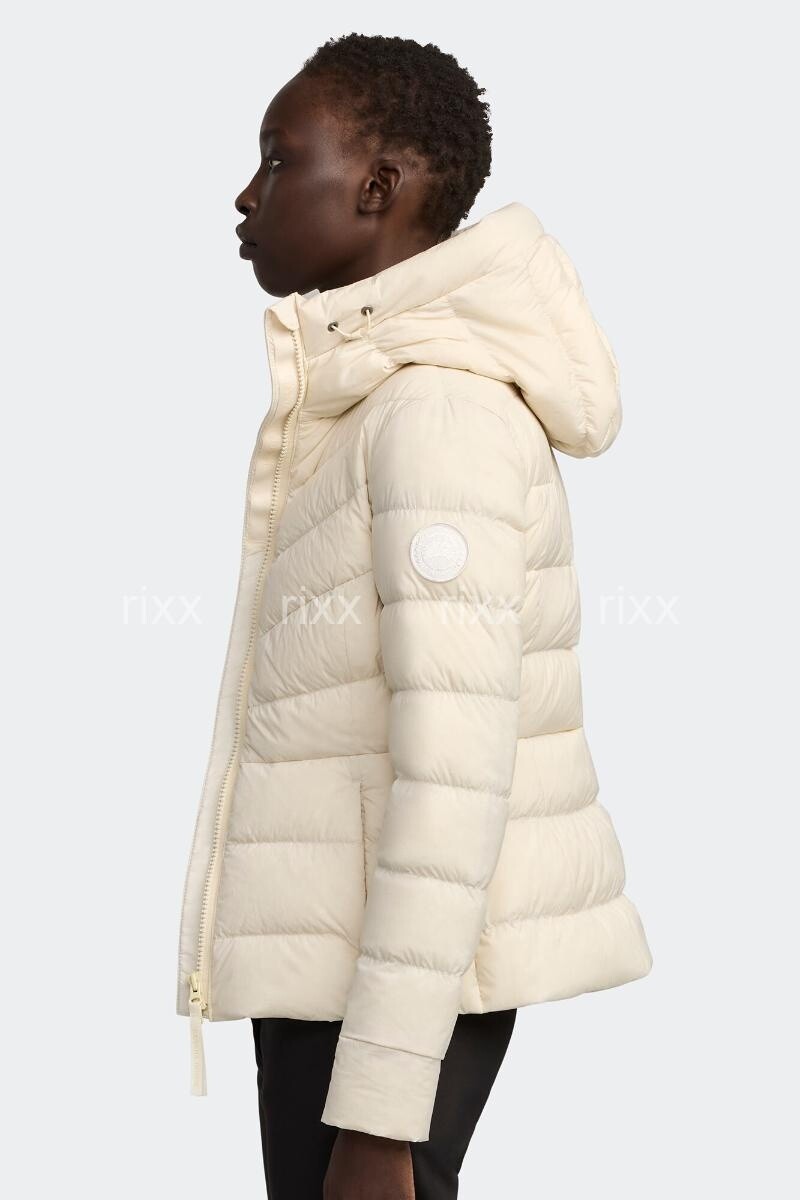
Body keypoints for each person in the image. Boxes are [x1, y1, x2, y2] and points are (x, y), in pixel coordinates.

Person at [175, 32, 653, 1200]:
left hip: (384, 1004)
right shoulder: (372, 407)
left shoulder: (434, 417)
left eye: (278, 159)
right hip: (347, 970)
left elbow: (455, 777)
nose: (245, 194)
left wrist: (383, 1112)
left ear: (379, 187)